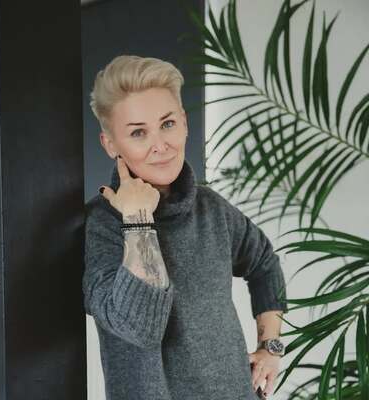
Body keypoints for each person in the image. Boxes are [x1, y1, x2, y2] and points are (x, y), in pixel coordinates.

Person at [82, 55, 288, 400]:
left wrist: (271, 348)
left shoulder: (211, 208)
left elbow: (264, 262)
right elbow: (142, 328)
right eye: (138, 132)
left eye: (167, 124)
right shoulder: (101, 224)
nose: (160, 145)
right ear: (110, 144)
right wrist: (138, 221)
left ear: (184, 123)